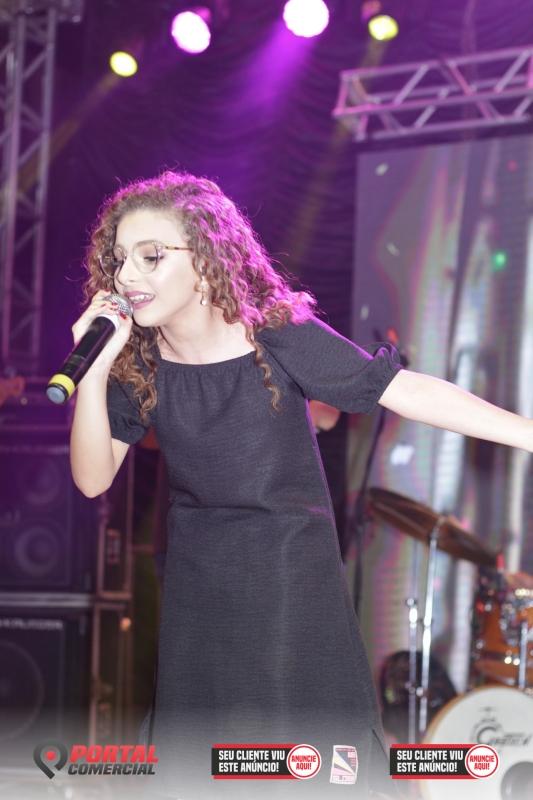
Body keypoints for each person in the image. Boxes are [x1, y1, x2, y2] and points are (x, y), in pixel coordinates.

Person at [70, 171, 533, 800]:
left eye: (151, 257)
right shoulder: (140, 361)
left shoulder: (275, 332)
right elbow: (92, 479)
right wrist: (95, 373)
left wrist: (527, 433)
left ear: (205, 262)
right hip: (198, 585)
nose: (127, 275)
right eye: (120, 258)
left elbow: (404, 391)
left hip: (286, 578)